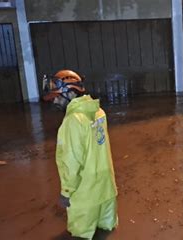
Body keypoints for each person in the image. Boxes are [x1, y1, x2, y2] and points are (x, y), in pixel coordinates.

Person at [42, 70, 118, 239]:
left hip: (85, 197)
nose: (54, 100)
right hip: (107, 190)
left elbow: (71, 161)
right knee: (106, 233)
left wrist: (66, 192)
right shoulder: (99, 113)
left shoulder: (73, 121)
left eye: (56, 96)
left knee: (80, 236)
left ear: (70, 93)